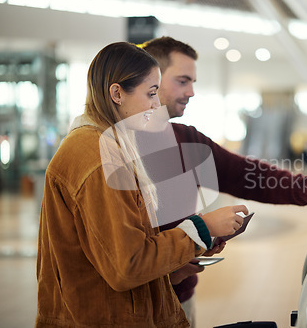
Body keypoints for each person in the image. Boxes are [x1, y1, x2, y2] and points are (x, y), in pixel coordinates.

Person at [36, 42, 249, 327]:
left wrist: (177, 265)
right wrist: (203, 227)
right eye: (150, 93)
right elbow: (127, 266)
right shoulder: (97, 157)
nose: (155, 104)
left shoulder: (110, 144)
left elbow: (115, 255)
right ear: (117, 93)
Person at [140, 36, 307, 326]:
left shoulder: (187, 140)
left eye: (193, 82)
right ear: (151, 80)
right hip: (136, 308)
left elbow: (245, 174)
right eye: (183, 81)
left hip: (181, 300)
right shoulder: (115, 150)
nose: (192, 91)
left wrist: (304, 188)